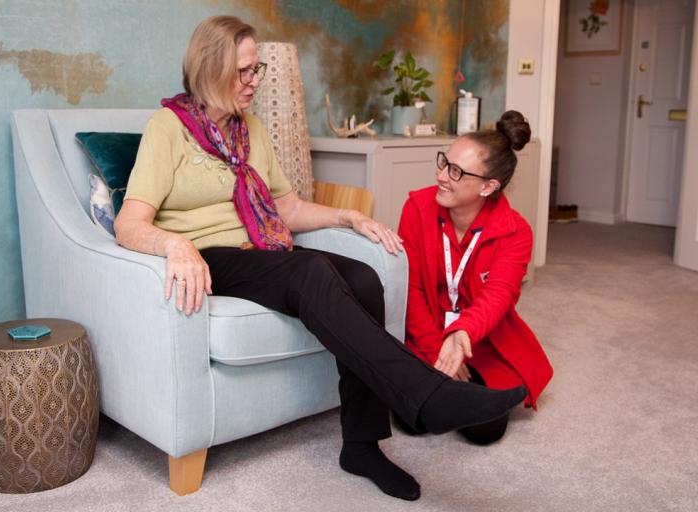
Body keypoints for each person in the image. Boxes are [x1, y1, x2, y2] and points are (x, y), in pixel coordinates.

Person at [114, 15, 526, 501]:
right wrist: (174, 245)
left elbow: (286, 208)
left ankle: (362, 445)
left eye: (257, 70)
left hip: (260, 251)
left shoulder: (251, 131)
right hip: (209, 257)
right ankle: (424, 395)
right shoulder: (169, 128)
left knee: (365, 278)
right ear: (210, 69)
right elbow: (129, 223)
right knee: (310, 268)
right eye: (243, 71)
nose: (253, 82)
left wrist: (347, 218)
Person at [397, 111, 554, 444]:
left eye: (455, 171)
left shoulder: (516, 232)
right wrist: (437, 348)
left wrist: (461, 335)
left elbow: (498, 296)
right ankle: (443, 388)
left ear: (488, 186)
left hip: (481, 339)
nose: (441, 175)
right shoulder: (417, 208)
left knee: (486, 430)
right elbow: (409, 290)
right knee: (413, 421)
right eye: (444, 162)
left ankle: (458, 391)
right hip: (426, 332)